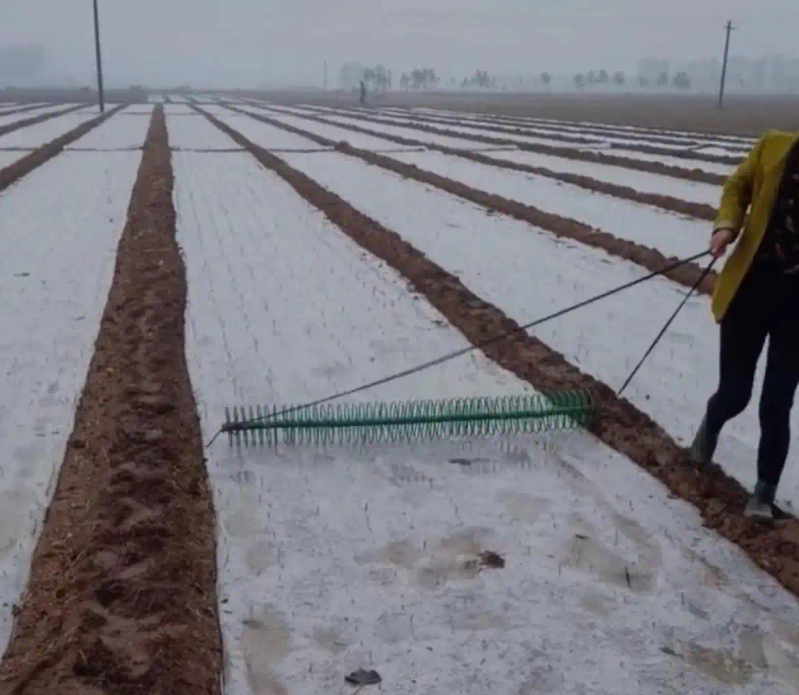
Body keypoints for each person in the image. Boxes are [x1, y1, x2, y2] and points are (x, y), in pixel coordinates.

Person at [689, 129, 799, 519]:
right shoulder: (774, 146)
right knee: (735, 393)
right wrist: (726, 226)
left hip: (796, 308)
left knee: (777, 403)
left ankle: (763, 495)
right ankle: (709, 429)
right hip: (750, 291)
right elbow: (737, 188)